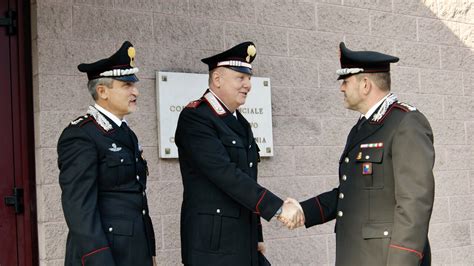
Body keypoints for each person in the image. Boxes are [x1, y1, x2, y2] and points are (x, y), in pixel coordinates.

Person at [286, 42, 435, 265]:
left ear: (365, 84)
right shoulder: (361, 128)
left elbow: (414, 204)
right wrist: (304, 210)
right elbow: (350, 193)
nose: (342, 88)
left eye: (346, 81)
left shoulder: (406, 123)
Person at [174, 41, 304, 266]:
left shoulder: (239, 121)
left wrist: (257, 234)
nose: (248, 85)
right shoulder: (196, 118)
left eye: (249, 78)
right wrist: (279, 208)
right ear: (217, 80)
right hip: (213, 244)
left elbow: (247, 177)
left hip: (243, 238)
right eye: (240, 78)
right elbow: (227, 174)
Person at [57, 41, 156, 266]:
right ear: (102, 91)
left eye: (134, 85)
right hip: (103, 256)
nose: (136, 91)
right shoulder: (81, 135)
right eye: (126, 85)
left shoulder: (125, 133)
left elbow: (138, 198)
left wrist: (150, 252)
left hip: (134, 253)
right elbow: (79, 208)